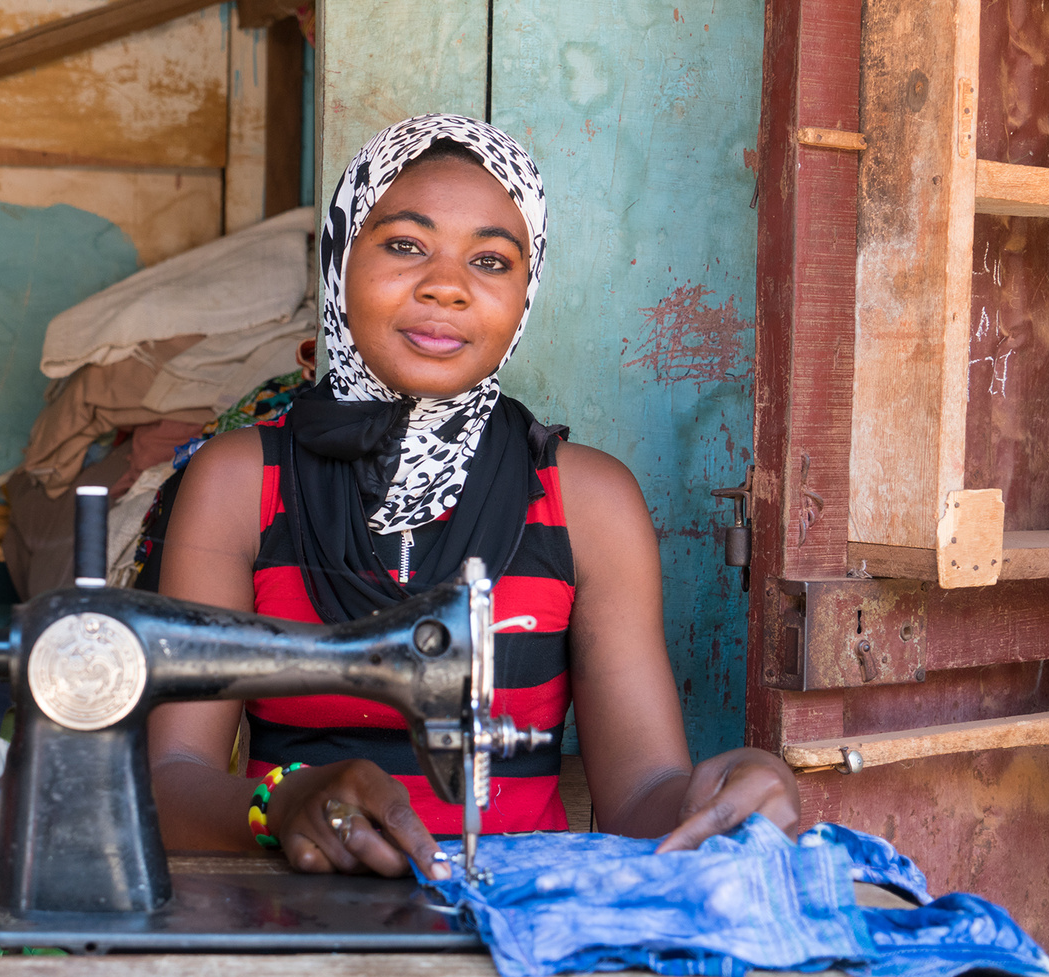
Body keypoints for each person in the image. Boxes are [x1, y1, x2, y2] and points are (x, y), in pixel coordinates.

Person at [147, 113, 798, 882]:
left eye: (490, 261)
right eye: (403, 245)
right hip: (297, 913)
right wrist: (282, 803)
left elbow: (641, 797)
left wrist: (721, 797)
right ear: (337, 257)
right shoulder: (239, 482)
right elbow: (169, 781)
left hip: (516, 928)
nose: (445, 287)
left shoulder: (586, 504)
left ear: (526, 293)